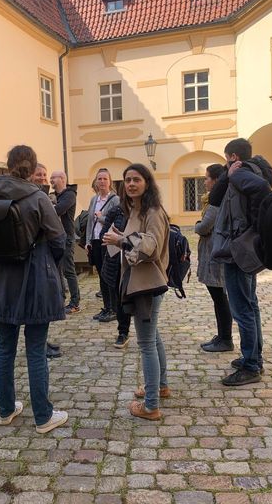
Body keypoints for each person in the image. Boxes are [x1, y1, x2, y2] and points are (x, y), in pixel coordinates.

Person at [0, 145, 69, 434]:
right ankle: (43, 416)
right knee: (35, 349)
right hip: (34, 278)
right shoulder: (37, 197)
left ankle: (6, 409)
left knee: (4, 347)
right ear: (32, 168)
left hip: (0, 278)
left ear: (7, 165)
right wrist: (50, 264)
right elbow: (59, 239)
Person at [103, 163, 169, 421]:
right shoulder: (136, 209)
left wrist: (121, 241)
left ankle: (151, 406)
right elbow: (138, 239)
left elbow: (151, 247)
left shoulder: (153, 211)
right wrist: (123, 235)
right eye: (127, 180)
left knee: (145, 343)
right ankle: (160, 387)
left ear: (147, 182)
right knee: (154, 337)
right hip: (140, 282)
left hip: (147, 286)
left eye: (136, 179)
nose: (131, 184)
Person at [214, 138, 272, 386]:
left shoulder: (240, 173)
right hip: (244, 247)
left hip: (237, 249)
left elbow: (260, 190)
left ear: (233, 157)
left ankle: (250, 365)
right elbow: (219, 197)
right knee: (251, 304)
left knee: (242, 309)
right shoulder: (251, 170)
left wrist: (253, 229)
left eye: (226, 158)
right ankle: (254, 357)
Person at [196, 165, 233, 353]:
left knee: (219, 298)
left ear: (216, 180)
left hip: (215, 254)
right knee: (219, 297)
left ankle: (226, 338)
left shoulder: (216, 200)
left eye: (207, 178)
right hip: (215, 252)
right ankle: (222, 335)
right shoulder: (216, 199)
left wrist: (196, 226)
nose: (205, 181)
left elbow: (204, 227)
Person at [31, 164, 62, 359]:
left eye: (44, 174)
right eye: (38, 174)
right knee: (38, 303)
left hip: (45, 256)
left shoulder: (46, 196)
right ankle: (39, 345)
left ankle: (42, 342)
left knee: (41, 304)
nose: (42, 177)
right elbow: (56, 235)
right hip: (40, 256)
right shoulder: (36, 197)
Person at [86, 168, 120, 322]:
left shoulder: (115, 199)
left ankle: (113, 309)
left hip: (108, 240)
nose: (101, 182)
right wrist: (87, 241)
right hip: (95, 240)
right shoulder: (94, 199)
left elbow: (115, 220)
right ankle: (106, 307)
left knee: (109, 275)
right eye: (99, 179)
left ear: (110, 181)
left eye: (105, 179)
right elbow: (89, 222)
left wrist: (101, 217)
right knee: (101, 274)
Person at [99, 203, 131, 347]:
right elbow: (102, 234)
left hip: (137, 263)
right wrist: (111, 237)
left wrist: (122, 239)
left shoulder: (147, 210)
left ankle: (148, 335)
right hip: (115, 261)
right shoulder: (116, 210)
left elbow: (145, 241)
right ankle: (123, 332)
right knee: (119, 300)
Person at [50, 170, 81, 314]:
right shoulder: (55, 196)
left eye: (53, 178)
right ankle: (60, 299)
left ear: (62, 179)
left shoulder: (69, 195)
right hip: (56, 238)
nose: (50, 180)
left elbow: (58, 210)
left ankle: (75, 303)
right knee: (58, 270)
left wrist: (48, 205)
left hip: (67, 238)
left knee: (69, 270)